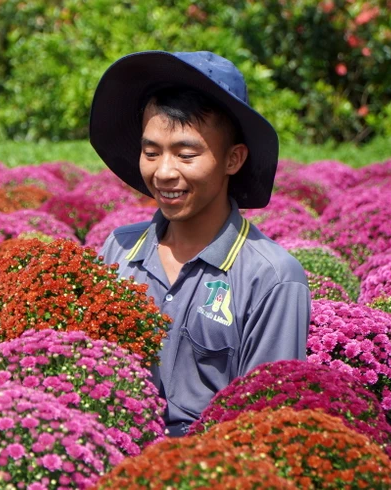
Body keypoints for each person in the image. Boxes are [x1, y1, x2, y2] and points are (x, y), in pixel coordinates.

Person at [90, 51, 311, 437]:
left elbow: (266, 421)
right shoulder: (118, 250)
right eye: (151, 152)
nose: (163, 173)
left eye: (186, 154)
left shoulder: (271, 277)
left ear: (233, 159)